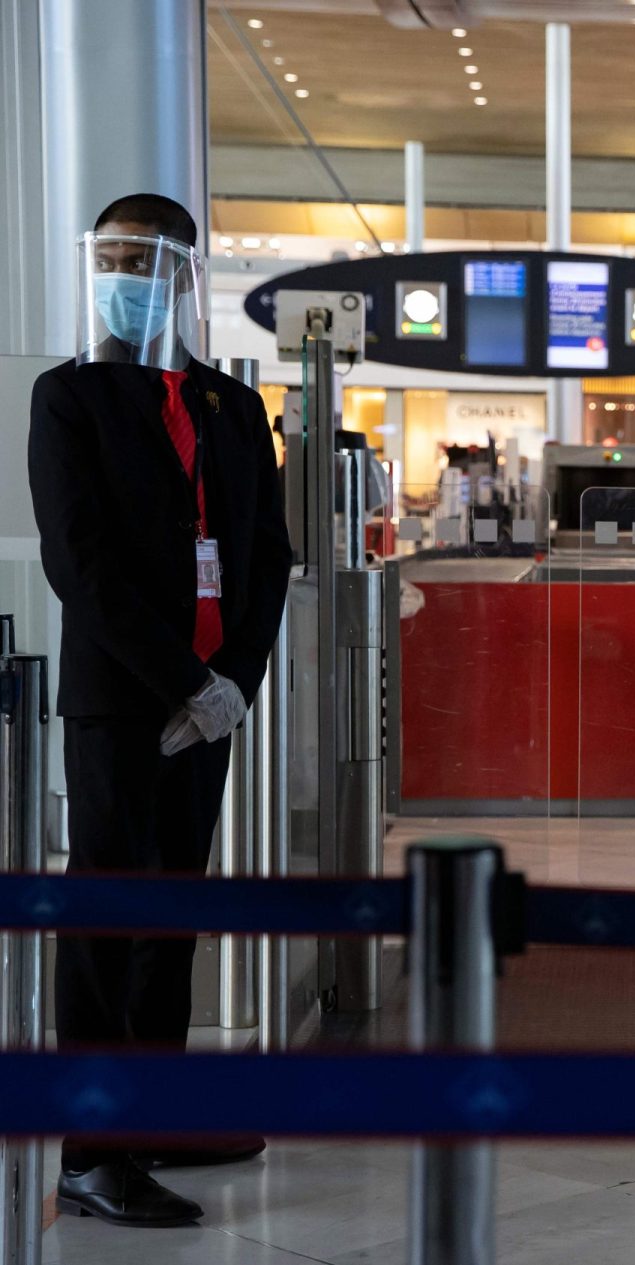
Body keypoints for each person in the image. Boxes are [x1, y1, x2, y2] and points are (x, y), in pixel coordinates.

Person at [28, 194, 293, 1227]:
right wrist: (182, 679)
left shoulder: (228, 405)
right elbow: (79, 564)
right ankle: (93, 1150)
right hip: (122, 701)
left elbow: (266, 550)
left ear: (186, 274)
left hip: (210, 705)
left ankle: (155, 1109)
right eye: (118, 255)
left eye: (150, 257)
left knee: (171, 916)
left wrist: (231, 685)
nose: (131, 273)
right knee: (108, 921)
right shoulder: (70, 398)